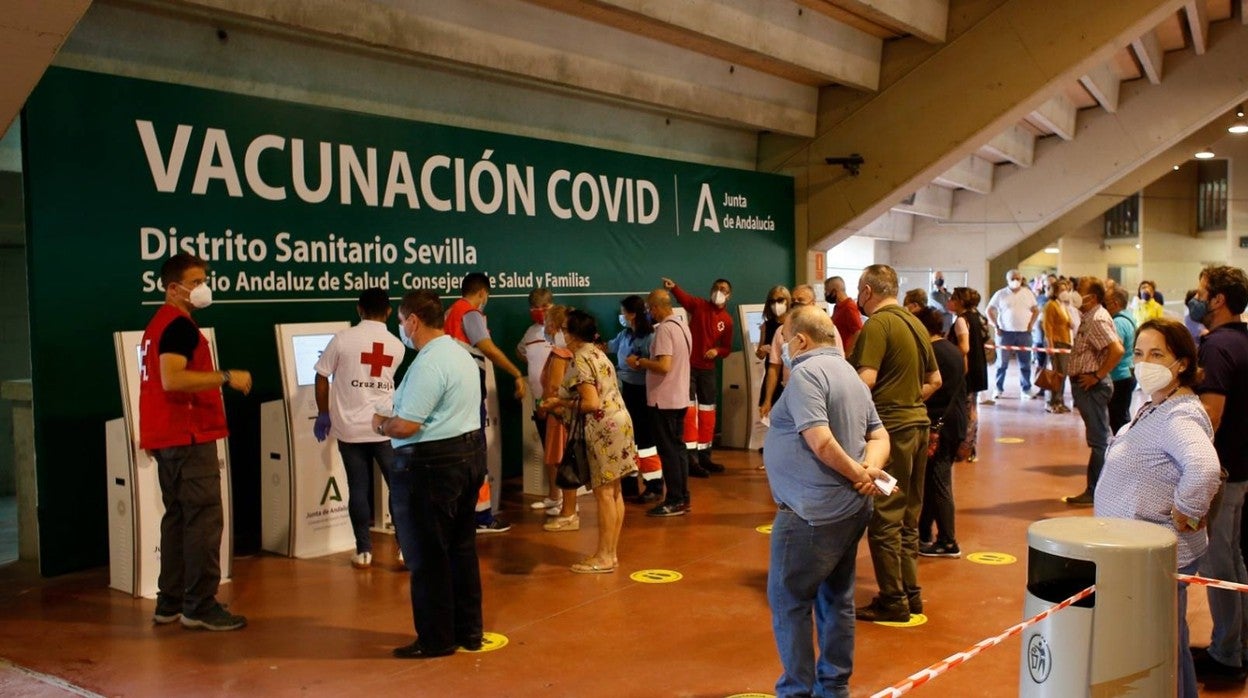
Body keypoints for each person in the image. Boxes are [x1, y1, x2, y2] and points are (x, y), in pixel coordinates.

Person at [764, 304, 890, 698]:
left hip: (810, 514)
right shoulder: (849, 374)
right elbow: (879, 436)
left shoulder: (806, 375)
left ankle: (796, 691)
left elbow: (819, 441)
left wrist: (860, 474)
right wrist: (868, 471)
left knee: (789, 601)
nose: (782, 347)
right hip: (849, 510)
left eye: (784, 338)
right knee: (837, 598)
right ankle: (834, 688)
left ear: (800, 340)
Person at [1094, 318, 1220, 698]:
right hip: (1139, 549)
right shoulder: (1157, 404)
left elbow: (1205, 467)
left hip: (1158, 555)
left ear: (1181, 363)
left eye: (1157, 354)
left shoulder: (1179, 415)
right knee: (1167, 642)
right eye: (1138, 353)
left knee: (1163, 646)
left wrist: (1188, 510)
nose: (1143, 362)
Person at [139, 252, 251, 631]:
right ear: (174, 288)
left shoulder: (157, 325)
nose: (203, 287)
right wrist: (225, 376)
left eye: (205, 279)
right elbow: (172, 379)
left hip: (167, 437)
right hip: (188, 435)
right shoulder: (179, 327)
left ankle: (169, 602)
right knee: (203, 521)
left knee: (178, 520)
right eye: (196, 281)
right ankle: (200, 605)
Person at [375, 290, 486, 659]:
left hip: (429, 468)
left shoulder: (427, 364)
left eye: (401, 322)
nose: (401, 329)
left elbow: (406, 425)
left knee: (426, 557)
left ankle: (436, 639)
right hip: (468, 457)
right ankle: (468, 631)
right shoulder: (461, 353)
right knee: (461, 550)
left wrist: (380, 423)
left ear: (413, 321)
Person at [849, 264, 941, 622]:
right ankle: (910, 592)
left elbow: (865, 381)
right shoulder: (916, 324)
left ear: (868, 291)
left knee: (885, 516)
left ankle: (893, 599)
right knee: (908, 515)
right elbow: (935, 379)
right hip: (918, 426)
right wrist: (906, 398)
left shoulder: (877, 325)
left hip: (891, 432)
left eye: (860, 291)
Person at [312, 287, 406, 569]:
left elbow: (321, 376)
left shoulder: (343, 339)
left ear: (359, 309)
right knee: (399, 489)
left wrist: (323, 413)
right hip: (385, 429)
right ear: (389, 312)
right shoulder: (397, 345)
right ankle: (404, 548)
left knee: (358, 488)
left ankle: (364, 551)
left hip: (349, 430)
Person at [542, 310, 638, 572]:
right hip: (621, 423)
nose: (561, 332)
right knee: (615, 491)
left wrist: (559, 402)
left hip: (603, 429)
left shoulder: (581, 358)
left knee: (604, 494)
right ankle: (611, 552)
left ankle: (604, 556)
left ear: (571, 333)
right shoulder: (598, 353)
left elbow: (590, 402)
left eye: (563, 328)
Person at [1190, 265, 1248, 681]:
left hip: (1223, 471)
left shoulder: (1215, 348)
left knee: (1218, 565)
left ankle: (1227, 655)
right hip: (1242, 467)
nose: (1197, 298)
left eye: (1201, 291)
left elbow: (1210, 416)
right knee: (1235, 560)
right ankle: (1238, 644)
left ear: (1218, 299)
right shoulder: (1244, 340)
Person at [444, 272, 525, 533]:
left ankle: (462, 514)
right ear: (482, 293)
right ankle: (482, 517)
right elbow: (487, 348)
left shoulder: (450, 313)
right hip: (467, 390)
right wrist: (515, 373)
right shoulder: (470, 314)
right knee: (475, 454)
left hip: (452, 390)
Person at [628, 289, 693, 517]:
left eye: (649, 309)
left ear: (655, 308)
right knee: (678, 449)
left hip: (664, 400)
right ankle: (682, 496)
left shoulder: (664, 329)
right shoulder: (682, 325)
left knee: (669, 451)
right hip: (679, 397)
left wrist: (641, 362)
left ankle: (674, 499)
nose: (649, 314)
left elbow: (664, 365)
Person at [1062, 277, 1125, 506]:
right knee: (1100, 438)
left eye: (1080, 291)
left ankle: (1095, 491)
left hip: (1092, 386)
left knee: (1100, 441)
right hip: (1087, 385)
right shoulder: (1089, 316)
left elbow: (1117, 349)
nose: (1075, 294)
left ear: (1094, 298)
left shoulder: (1097, 318)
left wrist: (1097, 375)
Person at [665, 276, 734, 476]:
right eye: (716, 287)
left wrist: (717, 351)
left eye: (723, 289)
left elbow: (727, 348)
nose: (719, 291)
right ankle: (690, 459)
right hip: (689, 368)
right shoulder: (699, 306)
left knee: (707, 413)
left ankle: (706, 457)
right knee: (689, 412)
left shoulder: (727, 320)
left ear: (729, 295)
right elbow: (684, 299)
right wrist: (674, 288)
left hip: (708, 371)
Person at [915, 307, 967, 559]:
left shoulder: (931, 353)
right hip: (954, 422)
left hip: (939, 425)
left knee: (939, 482)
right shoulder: (952, 350)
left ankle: (948, 541)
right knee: (932, 481)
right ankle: (924, 533)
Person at [609, 295, 663, 504]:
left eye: (623, 312)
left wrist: (639, 362)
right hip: (624, 390)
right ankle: (629, 484)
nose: (621, 316)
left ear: (631, 314)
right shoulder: (624, 334)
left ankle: (654, 484)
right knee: (627, 439)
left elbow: (658, 363)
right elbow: (610, 346)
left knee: (645, 440)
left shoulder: (650, 337)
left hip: (641, 391)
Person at [518, 289, 567, 513]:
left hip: (559, 403)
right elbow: (521, 352)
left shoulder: (563, 333)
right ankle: (554, 496)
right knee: (549, 451)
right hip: (539, 401)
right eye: (535, 310)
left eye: (543, 309)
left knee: (561, 453)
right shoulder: (530, 332)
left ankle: (568, 501)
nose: (540, 315)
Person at [536, 306, 577, 525]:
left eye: (549, 323)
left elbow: (553, 388)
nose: (546, 327)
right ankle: (562, 503)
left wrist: (544, 407)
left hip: (559, 415)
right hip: (560, 414)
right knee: (560, 460)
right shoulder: (565, 352)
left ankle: (569, 511)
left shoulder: (560, 354)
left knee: (563, 461)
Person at [762, 285, 822, 419]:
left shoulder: (826, 330)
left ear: (813, 303)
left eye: (800, 300)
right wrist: (768, 400)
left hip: (816, 394)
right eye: (794, 300)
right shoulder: (781, 331)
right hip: (789, 393)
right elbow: (774, 367)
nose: (796, 304)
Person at [986, 268, 1039, 400]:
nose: (1015, 281)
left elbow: (1036, 310)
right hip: (1005, 334)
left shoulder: (1028, 293)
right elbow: (989, 310)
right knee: (1001, 364)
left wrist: (1031, 325)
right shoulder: (1001, 294)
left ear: (1022, 280)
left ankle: (1026, 389)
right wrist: (995, 325)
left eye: (1018, 278)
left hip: (1024, 334)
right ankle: (998, 388)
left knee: (1025, 364)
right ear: (1007, 280)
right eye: (1012, 278)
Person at [948, 287, 987, 461]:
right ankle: (969, 448)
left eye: (952, 298)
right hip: (977, 368)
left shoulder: (961, 320)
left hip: (967, 372)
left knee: (967, 410)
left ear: (960, 302)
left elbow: (964, 347)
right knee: (972, 409)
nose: (949, 301)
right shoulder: (976, 317)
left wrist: (947, 352)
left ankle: (964, 448)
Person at [1104, 286, 1137, 435]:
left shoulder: (1118, 323)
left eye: (1107, 302)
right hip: (1127, 373)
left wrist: (1100, 372)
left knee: (1117, 419)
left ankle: (1124, 451)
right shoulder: (1129, 317)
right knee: (1122, 416)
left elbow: (1116, 350)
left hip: (1119, 377)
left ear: (1115, 303)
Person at [1040, 279, 1074, 414]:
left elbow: (1068, 322)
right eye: (1061, 290)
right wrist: (1050, 345)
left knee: (1063, 374)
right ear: (1055, 291)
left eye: (1066, 289)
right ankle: (1053, 401)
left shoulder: (1063, 305)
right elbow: (1047, 326)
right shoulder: (1051, 305)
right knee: (1057, 374)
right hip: (1057, 342)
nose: (1064, 292)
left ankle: (1060, 400)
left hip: (1066, 342)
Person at [757, 286, 791, 415]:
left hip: (789, 377)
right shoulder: (767, 325)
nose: (776, 304)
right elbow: (759, 355)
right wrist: (763, 351)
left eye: (780, 300)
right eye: (772, 301)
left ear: (787, 301)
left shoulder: (794, 323)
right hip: (772, 377)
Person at [826, 276, 864, 355]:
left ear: (834, 292)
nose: (826, 294)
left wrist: (847, 353)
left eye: (827, 291)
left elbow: (858, 331)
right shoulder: (837, 306)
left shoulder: (849, 307)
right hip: (837, 351)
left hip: (845, 355)